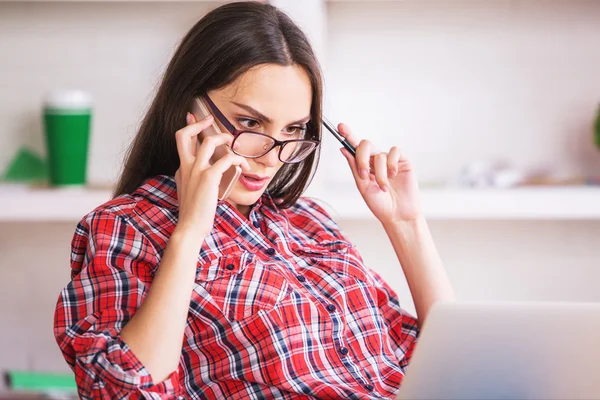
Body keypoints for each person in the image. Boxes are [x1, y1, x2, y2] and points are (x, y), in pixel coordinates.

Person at [53, 2, 454, 399]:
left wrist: (406, 224)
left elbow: (439, 362)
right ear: (187, 105)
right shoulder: (126, 227)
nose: (269, 158)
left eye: (293, 128)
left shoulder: (310, 222)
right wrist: (191, 230)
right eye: (250, 123)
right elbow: (124, 390)